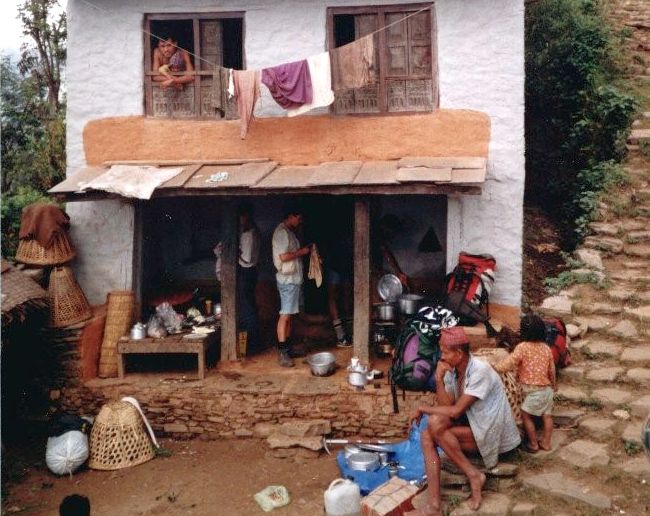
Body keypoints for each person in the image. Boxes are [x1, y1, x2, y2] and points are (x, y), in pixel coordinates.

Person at [407, 327, 521, 515]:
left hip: (492, 433)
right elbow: (447, 405)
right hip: (472, 428)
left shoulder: (480, 371)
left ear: (459, 353)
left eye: (444, 352)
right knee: (429, 432)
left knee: (434, 427)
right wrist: (438, 380)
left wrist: (422, 408)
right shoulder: (454, 372)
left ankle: (474, 475)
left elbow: (455, 411)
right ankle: (434, 505)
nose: (441, 357)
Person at [494, 314, 556, 452]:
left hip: (532, 391)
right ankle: (546, 442)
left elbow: (510, 363)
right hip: (547, 389)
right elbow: (551, 369)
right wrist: (554, 385)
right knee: (547, 416)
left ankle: (533, 444)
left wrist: (495, 367)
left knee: (525, 415)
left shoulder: (522, 347)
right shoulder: (546, 348)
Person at [272, 205, 311, 367]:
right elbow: (283, 257)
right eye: (299, 218)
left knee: (290, 316)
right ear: (290, 216)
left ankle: (287, 348)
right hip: (287, 280)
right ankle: (282, 352)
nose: (300, 221)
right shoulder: (281, 233)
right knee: (285, 315)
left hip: (293, 279)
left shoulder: (289, 232)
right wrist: (301, 252)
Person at [237, 203, 261, 353]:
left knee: (247, 309)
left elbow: (246, 258)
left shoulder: (248, 235)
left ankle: (252, 344)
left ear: (245, 217)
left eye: (240, 217)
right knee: (250, 305)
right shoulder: (255, 232)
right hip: (252, 272)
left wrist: (234, 252)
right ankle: (254, 341)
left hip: (246, 272)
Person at [373, 213, 409, 287]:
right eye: (390, 232)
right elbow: (385, 252)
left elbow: (386, 252)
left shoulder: (381, 237)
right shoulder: (374, 234)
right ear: (384, 226)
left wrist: (398, 272)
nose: (391, 235)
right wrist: (398, 271)